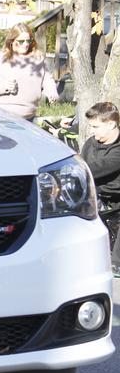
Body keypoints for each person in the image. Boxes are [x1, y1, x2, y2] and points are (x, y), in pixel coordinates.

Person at [0, 23, 59, 120]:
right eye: (21, 41)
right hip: (0, 116)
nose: (26, 44)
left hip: (28, 118)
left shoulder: (38, 58)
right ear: (12, 41)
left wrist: (52, 92)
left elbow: (47, 80)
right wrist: (4, 86)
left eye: (28, 40)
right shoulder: (0, 58)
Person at [80, 102, 120, 272]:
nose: (92, 131)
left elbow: (91, 169)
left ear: (111, 124)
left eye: (96, 126)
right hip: (94, 193)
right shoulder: (91, 143)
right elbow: (82, 166)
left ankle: (116, 263)